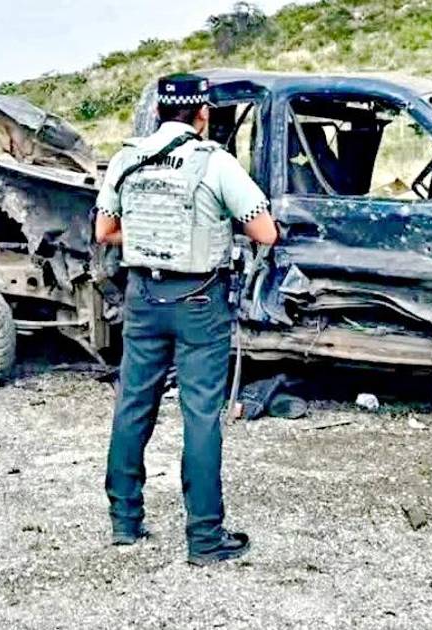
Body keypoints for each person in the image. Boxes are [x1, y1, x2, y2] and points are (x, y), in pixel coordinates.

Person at [95, 73, 278, 565]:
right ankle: (204, 537)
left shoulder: (127, 158)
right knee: (200, 414)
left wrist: (149, 232)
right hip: (199, 301)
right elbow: (265, 232)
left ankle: (125, 522)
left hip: (142, 296)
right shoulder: (215, 162)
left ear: (158, 113)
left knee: (133, 404)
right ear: (203, 114)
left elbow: (105, 230)